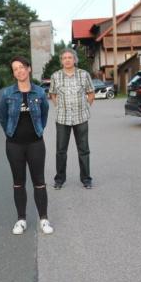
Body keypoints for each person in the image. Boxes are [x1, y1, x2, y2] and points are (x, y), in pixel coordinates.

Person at [0, 56, 54, 235]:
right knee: (18, 182)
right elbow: (2, 117)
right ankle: (21, 219)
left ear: (29, 69)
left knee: (39, 182)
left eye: (22, 67)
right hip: (14, 145)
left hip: (35, 143)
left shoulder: (39, 92)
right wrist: (9, 133)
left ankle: (44, 219)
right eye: (15, 69)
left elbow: (44, 114)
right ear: (14, 73)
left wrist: (38, 130)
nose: (19, 71)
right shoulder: (7, 93)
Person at [48, 48, 95, 189]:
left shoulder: (84, 74)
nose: (67, 60)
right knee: (61, 151)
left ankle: (86, 179)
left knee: (84, 150)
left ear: (75, 59)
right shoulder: (55, 76)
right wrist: (59, 107)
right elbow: (53, 94)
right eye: (64, 58)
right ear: (61, 61)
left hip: (81, 118)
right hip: (62, 119)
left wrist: (85, 107)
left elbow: (91, 93)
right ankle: (59, 179)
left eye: (70, 57)